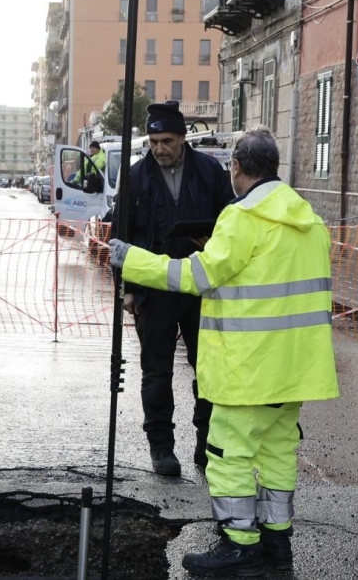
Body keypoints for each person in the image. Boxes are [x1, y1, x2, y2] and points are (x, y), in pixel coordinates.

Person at [110, 128, 339, 575]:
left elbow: (197, 277)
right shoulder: (309, 222)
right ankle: (277, 546)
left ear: (235, 167)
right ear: (275, 167)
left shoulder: (240, 219)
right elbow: (265, 279)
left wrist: (131, 259)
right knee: (277, 455)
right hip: (293, 370)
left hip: (249, 368)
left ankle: (239, 546)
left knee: (227, 454)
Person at [111, 101, 233, 477]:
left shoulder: (211, 172)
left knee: (209, 370)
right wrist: (127, 289)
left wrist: (211, 240)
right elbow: (121, 237)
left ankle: (205, 440)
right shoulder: (135, 178)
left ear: (183, 138)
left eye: (166, 140)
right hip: (155, 292)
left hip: (202, 289)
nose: (159, 148)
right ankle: (161, 446)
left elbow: (231, 224)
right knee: (156, 372)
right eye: (153, 141)